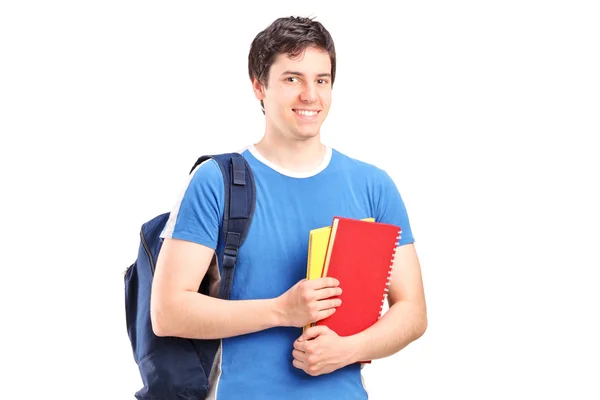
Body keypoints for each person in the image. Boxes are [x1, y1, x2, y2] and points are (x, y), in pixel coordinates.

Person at [151, 15, 427, 400]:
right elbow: (167, 312)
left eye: (321, 80)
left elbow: (412, 311)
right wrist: (282, 311)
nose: (310, 95)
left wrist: (350, 349)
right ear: (259, 86)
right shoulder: (217, 181)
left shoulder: (372, 186)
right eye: (292, 78)